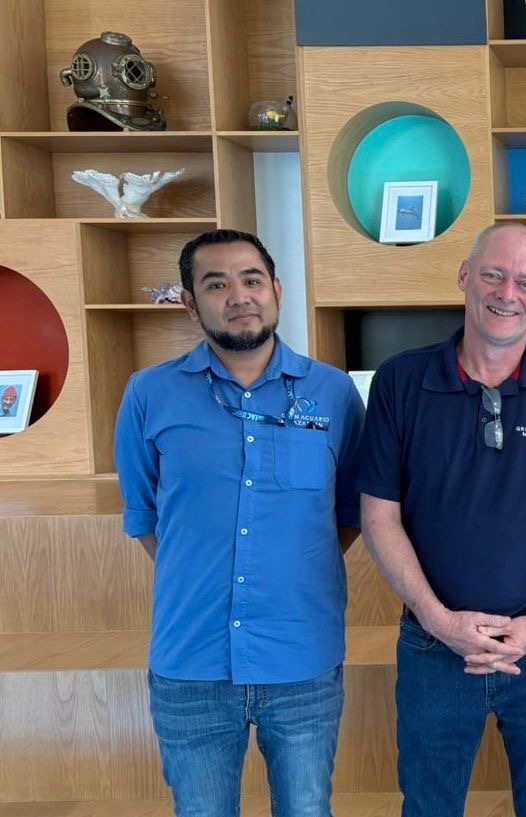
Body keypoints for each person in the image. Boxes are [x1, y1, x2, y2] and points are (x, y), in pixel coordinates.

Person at [356, 222, 526, 817]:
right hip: (433, 647)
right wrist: (438, 619)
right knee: (429, 807)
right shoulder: (400, 381)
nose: (507, 293)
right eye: (493, 275)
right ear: (465, 277)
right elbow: (378, 516)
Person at [114, 228, 365, 817]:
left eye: (252, 280)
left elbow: (352, 512)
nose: (239, 296)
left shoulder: (332, 393)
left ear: (276, 290)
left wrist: (292, 569)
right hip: (192, 659)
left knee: (307, 809)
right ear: (189, 301)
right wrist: (200, 571)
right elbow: (146, 515)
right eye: (216, 284)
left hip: (301, 656)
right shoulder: (149, 394)